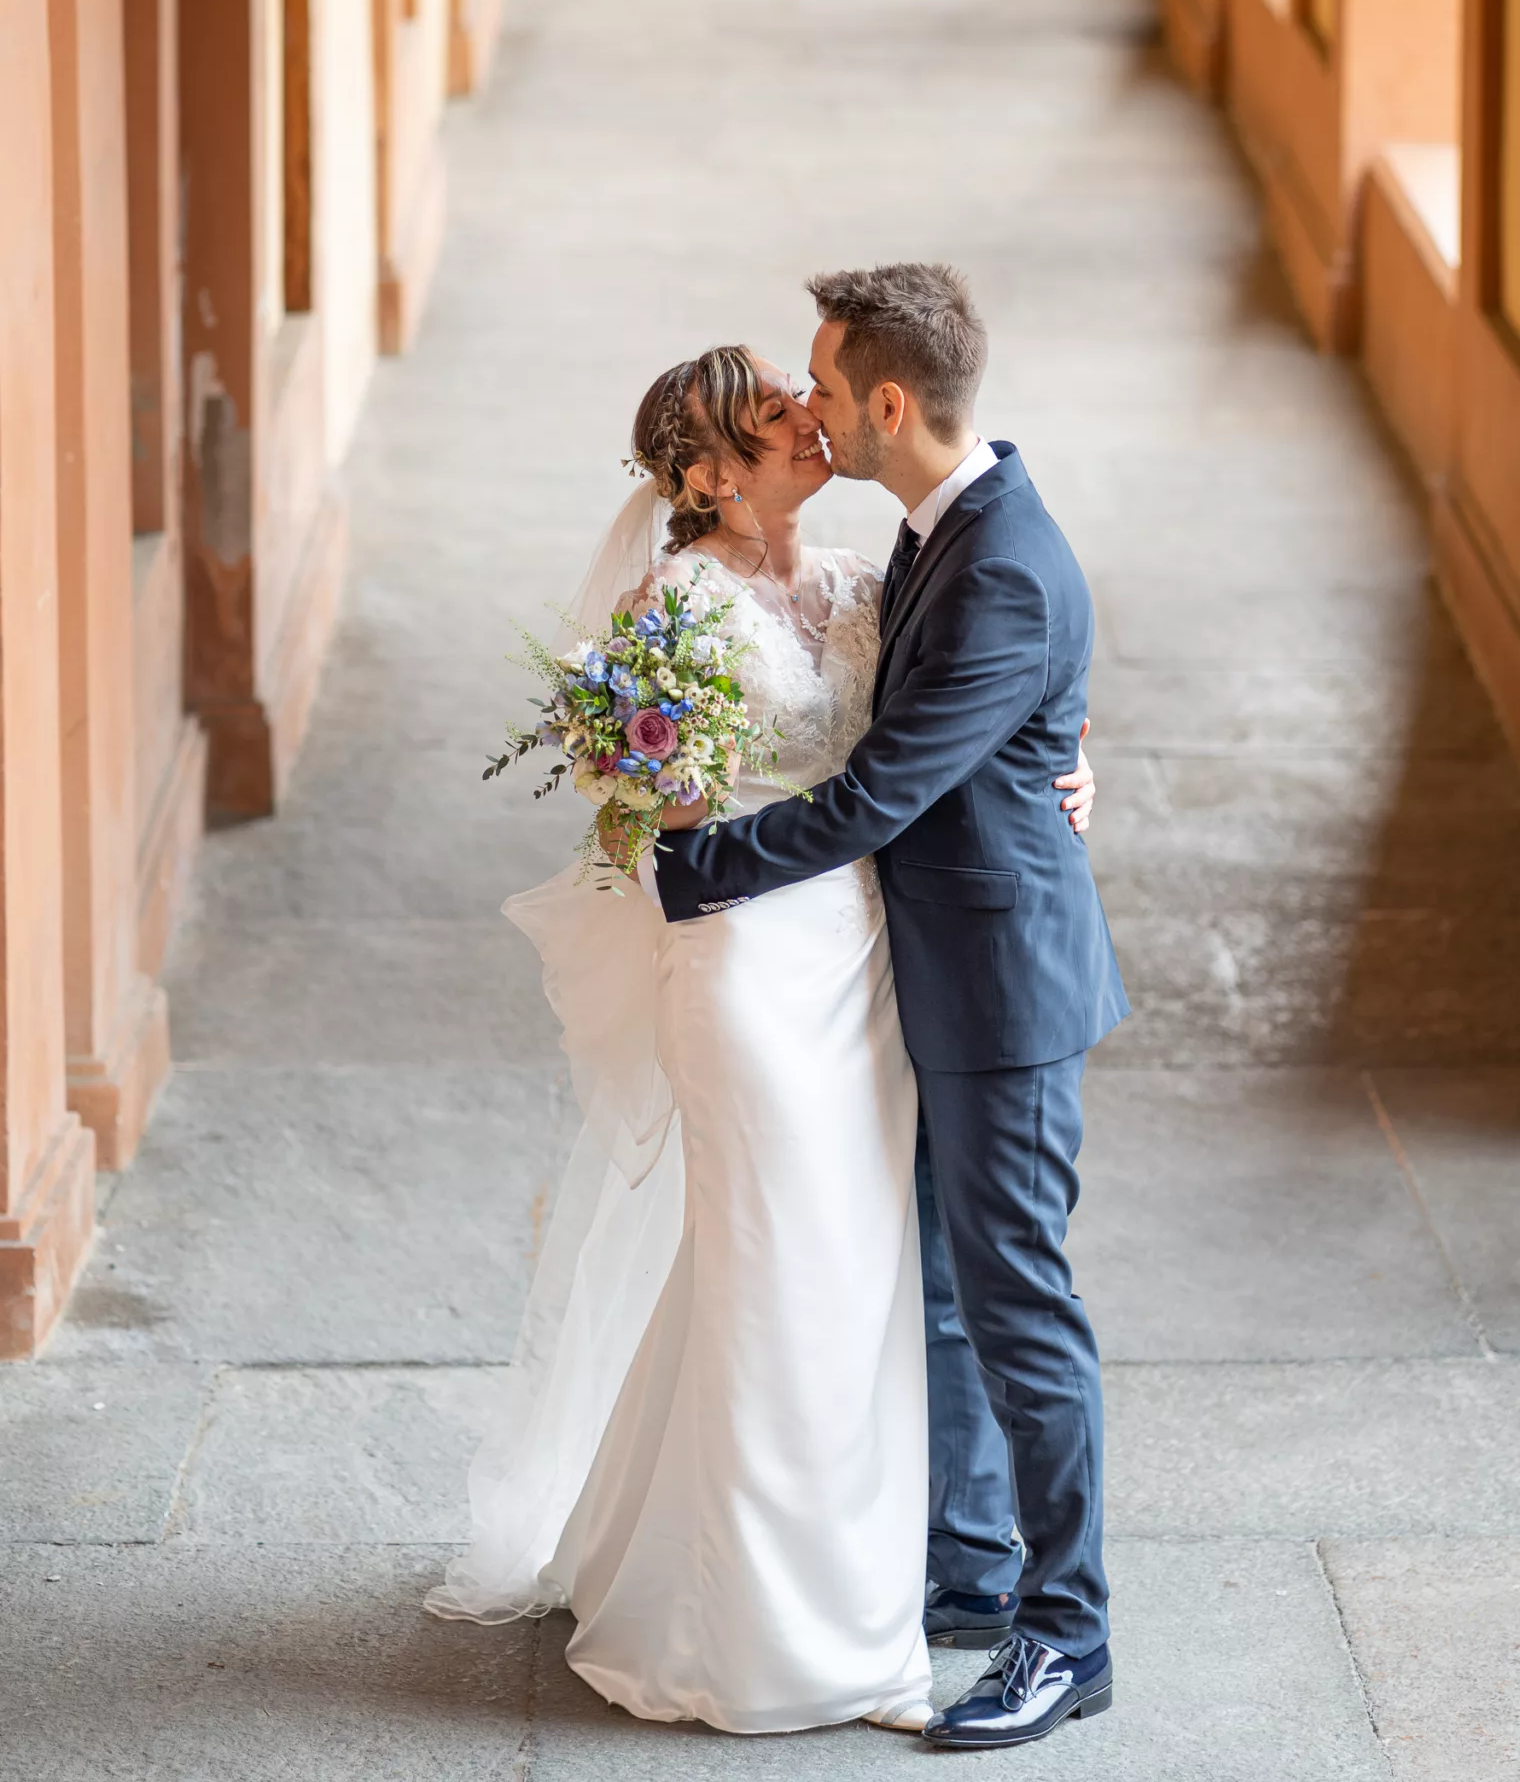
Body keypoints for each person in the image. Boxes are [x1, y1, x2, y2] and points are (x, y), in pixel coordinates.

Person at [427, 333, 1100, 1740]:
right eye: (769, 416)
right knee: (780, 1266)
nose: (805, 421)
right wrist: (688, 853)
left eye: (807, 399)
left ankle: (897, 1575)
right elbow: (656, 804)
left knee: (869, 1271)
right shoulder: (668, 612)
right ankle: (767, 1623)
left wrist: (1065, 748)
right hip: (746, 963)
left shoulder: (870, 576)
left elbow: (978, 681)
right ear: (705, 479)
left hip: (869, 959)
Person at [653, 264, 1129, 1749]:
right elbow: (977, 710)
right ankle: (971, 1568)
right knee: (939, 1282)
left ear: (889, 401)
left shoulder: (997, 561)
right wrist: (1059, 739)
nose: (808, 407)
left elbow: (879, 790)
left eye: (822, 384)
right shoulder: (942, 527)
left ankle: (1067, 1635)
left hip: (998, 987)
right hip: (908, 967)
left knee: (1018, 1304)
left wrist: (703, 868)